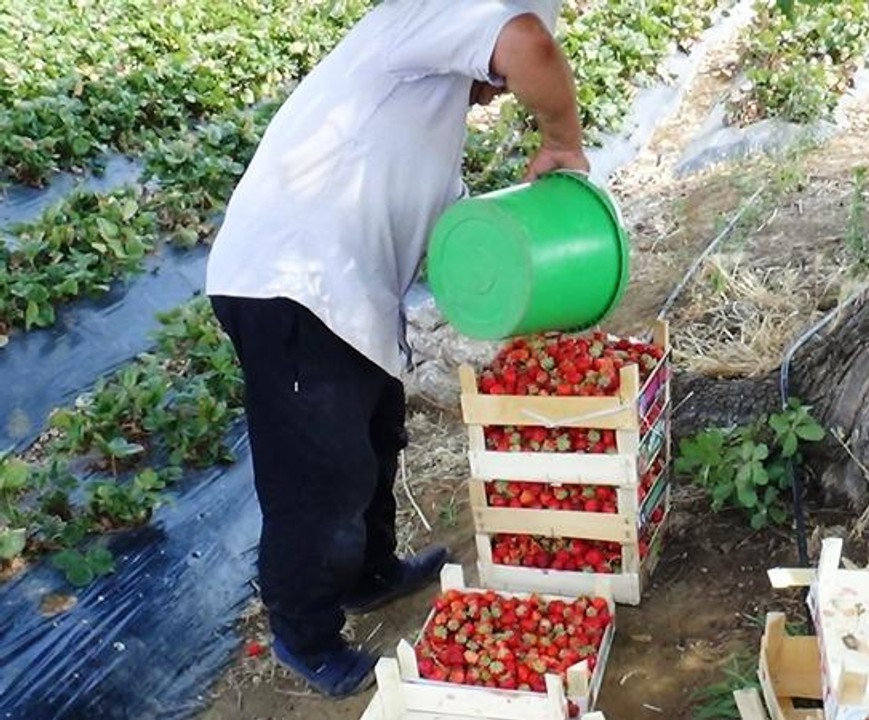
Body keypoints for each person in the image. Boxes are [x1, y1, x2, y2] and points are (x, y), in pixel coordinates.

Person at [204, 0, 587, 698]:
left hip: (347, 302)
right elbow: (527, 41)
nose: (496, 92)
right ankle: (304, 634)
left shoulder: (428, 112)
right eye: (499, 81)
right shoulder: (429, 15)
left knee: (376, 440)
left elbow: (457, 243)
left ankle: (370, 574)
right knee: (318, 482)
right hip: (291, 286)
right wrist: (562, 136)